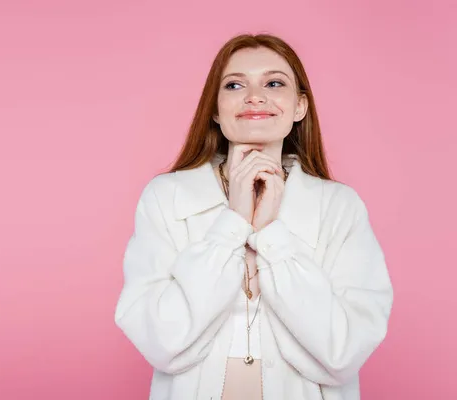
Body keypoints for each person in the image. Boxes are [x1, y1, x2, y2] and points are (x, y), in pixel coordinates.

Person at [114, 33, 393, 400]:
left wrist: (271, 234)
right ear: (215, 109)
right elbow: (162, 340)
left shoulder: (340, 207)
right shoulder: (167, 198)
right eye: (234, 85)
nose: (255, 96)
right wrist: (233, 222)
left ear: (300, 107)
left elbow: (342, 351)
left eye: (274, 83)